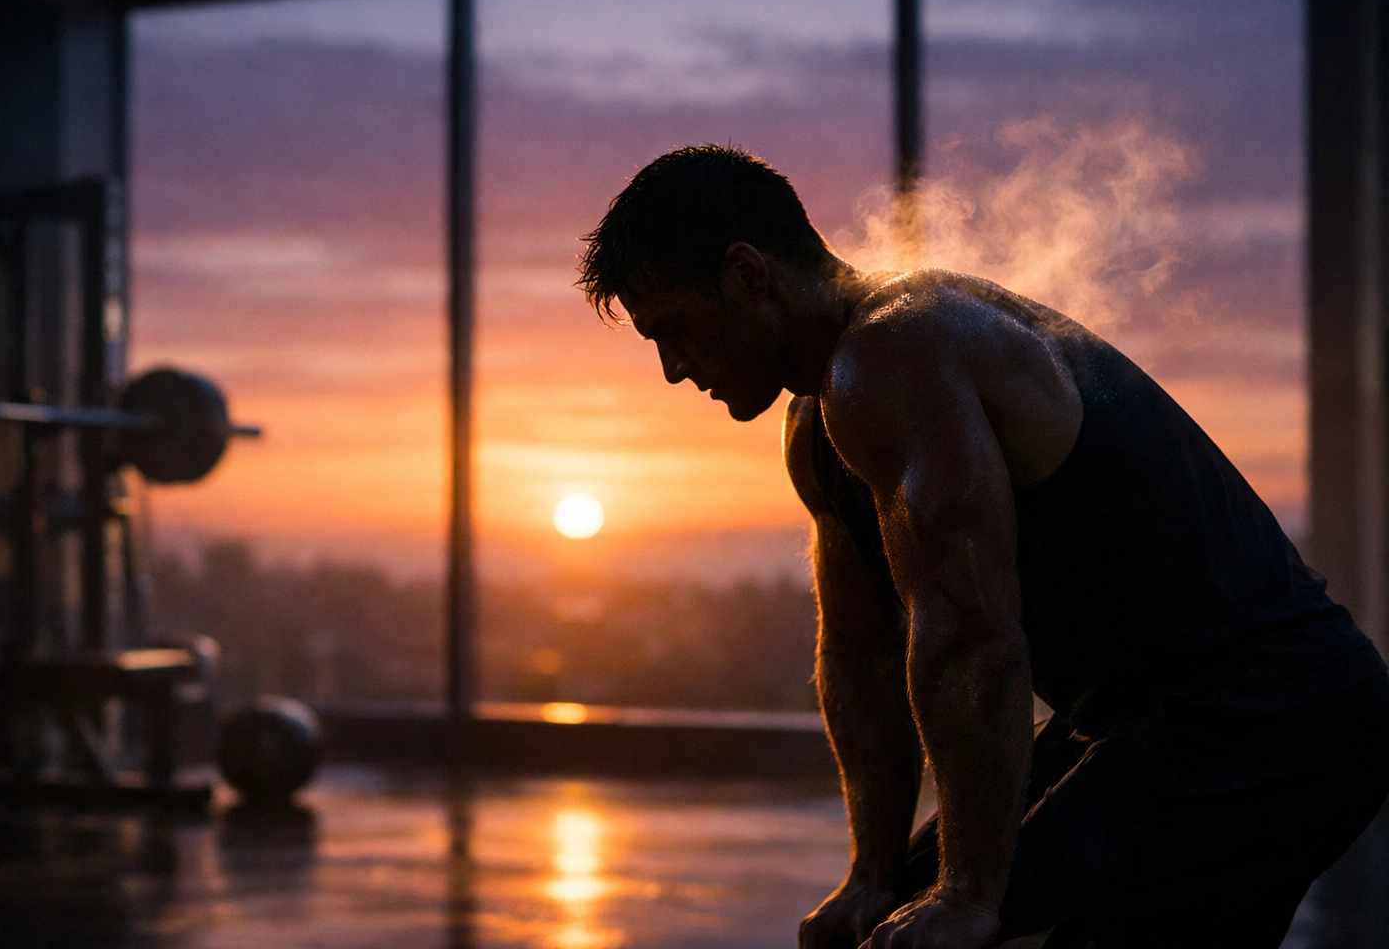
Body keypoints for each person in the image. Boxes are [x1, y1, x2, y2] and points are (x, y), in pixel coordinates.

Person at [578, 145, 1389, 949]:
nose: (673, 369)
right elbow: (861, 655)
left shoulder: (895, 351)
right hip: (1141, 718)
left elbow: (971, 639)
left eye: (675, 329)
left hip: (1280, 710)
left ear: (748, 273)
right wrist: (872, 875)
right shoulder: (816, 423)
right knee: (884, 926)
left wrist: (967, 895)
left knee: (988, 935)